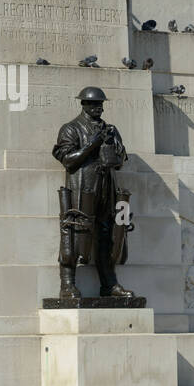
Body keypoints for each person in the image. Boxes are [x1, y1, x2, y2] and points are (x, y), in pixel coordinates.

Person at [52, 86, 132, 299]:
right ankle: (67, 284)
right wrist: (91, 145)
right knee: (74, 232)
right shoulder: (71, 129)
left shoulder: (110, 129)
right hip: (82, 188)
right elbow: (68, 160)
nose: (99, 108)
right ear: (84, 104)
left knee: (108, 235)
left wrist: (115, 149)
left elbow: (121, 160)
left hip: (106, 188)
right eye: (94, 104)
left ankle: (109, 284)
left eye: (101, 104)